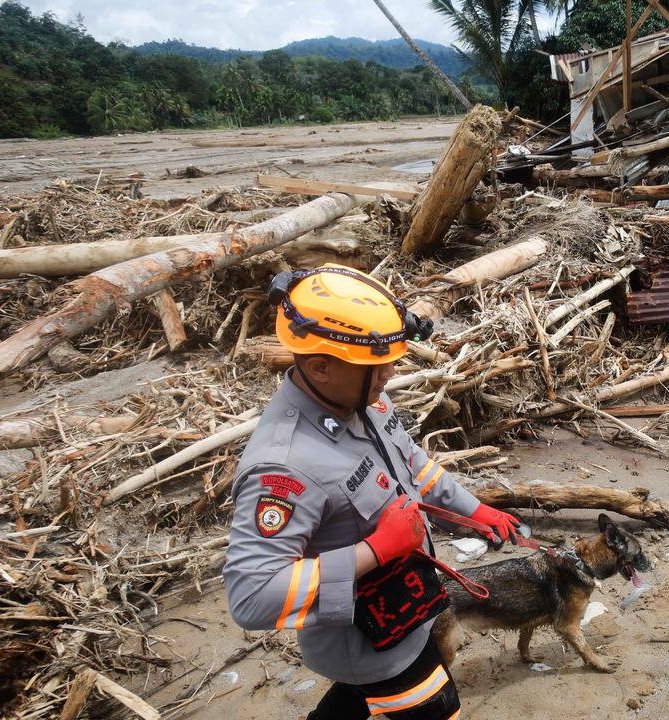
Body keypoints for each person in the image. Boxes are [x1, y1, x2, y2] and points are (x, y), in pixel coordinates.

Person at [222, 264, 522, 719]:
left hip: (407, 604)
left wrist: (473, 510)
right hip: (372, 643)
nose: (391, 372)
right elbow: (251, 595)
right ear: (321, 367)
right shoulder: (286, 466)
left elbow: (412, 466)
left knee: (353, 703)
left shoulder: (362, 398)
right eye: (377, 365)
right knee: (440, 708)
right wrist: (377, 549)